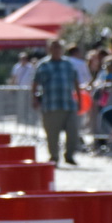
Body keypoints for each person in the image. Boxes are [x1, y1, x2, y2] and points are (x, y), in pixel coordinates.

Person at [32, 38, 83, 166]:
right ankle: (54, 156)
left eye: (58, 47)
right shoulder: (43, 65)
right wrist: (34, 98)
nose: (56, 50)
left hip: (68, 104)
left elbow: (76, 82)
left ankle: (69, 155)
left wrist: (80, 99)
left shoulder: (69, 64)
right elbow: (35, 83)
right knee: (52, 134)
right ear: (49, 49)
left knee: (73, 132)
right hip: (51, 105)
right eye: (54, 47)